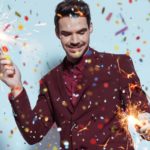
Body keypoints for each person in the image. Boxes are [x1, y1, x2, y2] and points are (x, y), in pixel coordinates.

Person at [0, 0, 150, 149]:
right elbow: (33, 134)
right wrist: (16, 87)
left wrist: (146, 122)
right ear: (57, 33)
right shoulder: (50, 81)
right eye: (66, 34)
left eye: (81, 32)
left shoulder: (117, 65)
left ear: (90, 27)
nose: (75, 40)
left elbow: (140, 109)